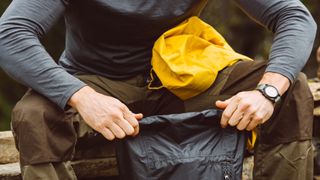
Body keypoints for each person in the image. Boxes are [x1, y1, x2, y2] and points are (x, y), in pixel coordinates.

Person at [0, 0, 316, 179]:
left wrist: (267, 92)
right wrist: (82, 97)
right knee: (33, 115)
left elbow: (293, 15)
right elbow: (10, 34)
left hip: (181, 77)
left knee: (289, 89)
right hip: (94, 80)